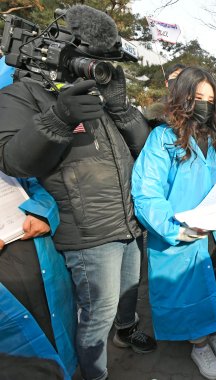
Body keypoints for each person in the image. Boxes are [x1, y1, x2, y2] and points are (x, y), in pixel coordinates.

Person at [0, 58, 156, 380]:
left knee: (129, 294)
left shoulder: (99, 93)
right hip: (89, 235)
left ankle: (125, 331)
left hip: (127, 220)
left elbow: (143, 146)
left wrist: (122, 108)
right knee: (98, 314)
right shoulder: (25, 93)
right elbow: (16, 163)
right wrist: (59, 118)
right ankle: (95, 374)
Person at [131, 67, 216, 380]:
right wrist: (175, 229)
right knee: (189, 290)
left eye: (210, 99)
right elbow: (147, 193)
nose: (204, 105)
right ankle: (198, 343)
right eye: (198, 98)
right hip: (181, 232)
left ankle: (213, 333)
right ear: (182, 96)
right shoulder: (163, 138)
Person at [0, 176, 76, 379]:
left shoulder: (6, 161)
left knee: (56, 333)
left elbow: (38, 187)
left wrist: (42, 214)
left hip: (37, 257)